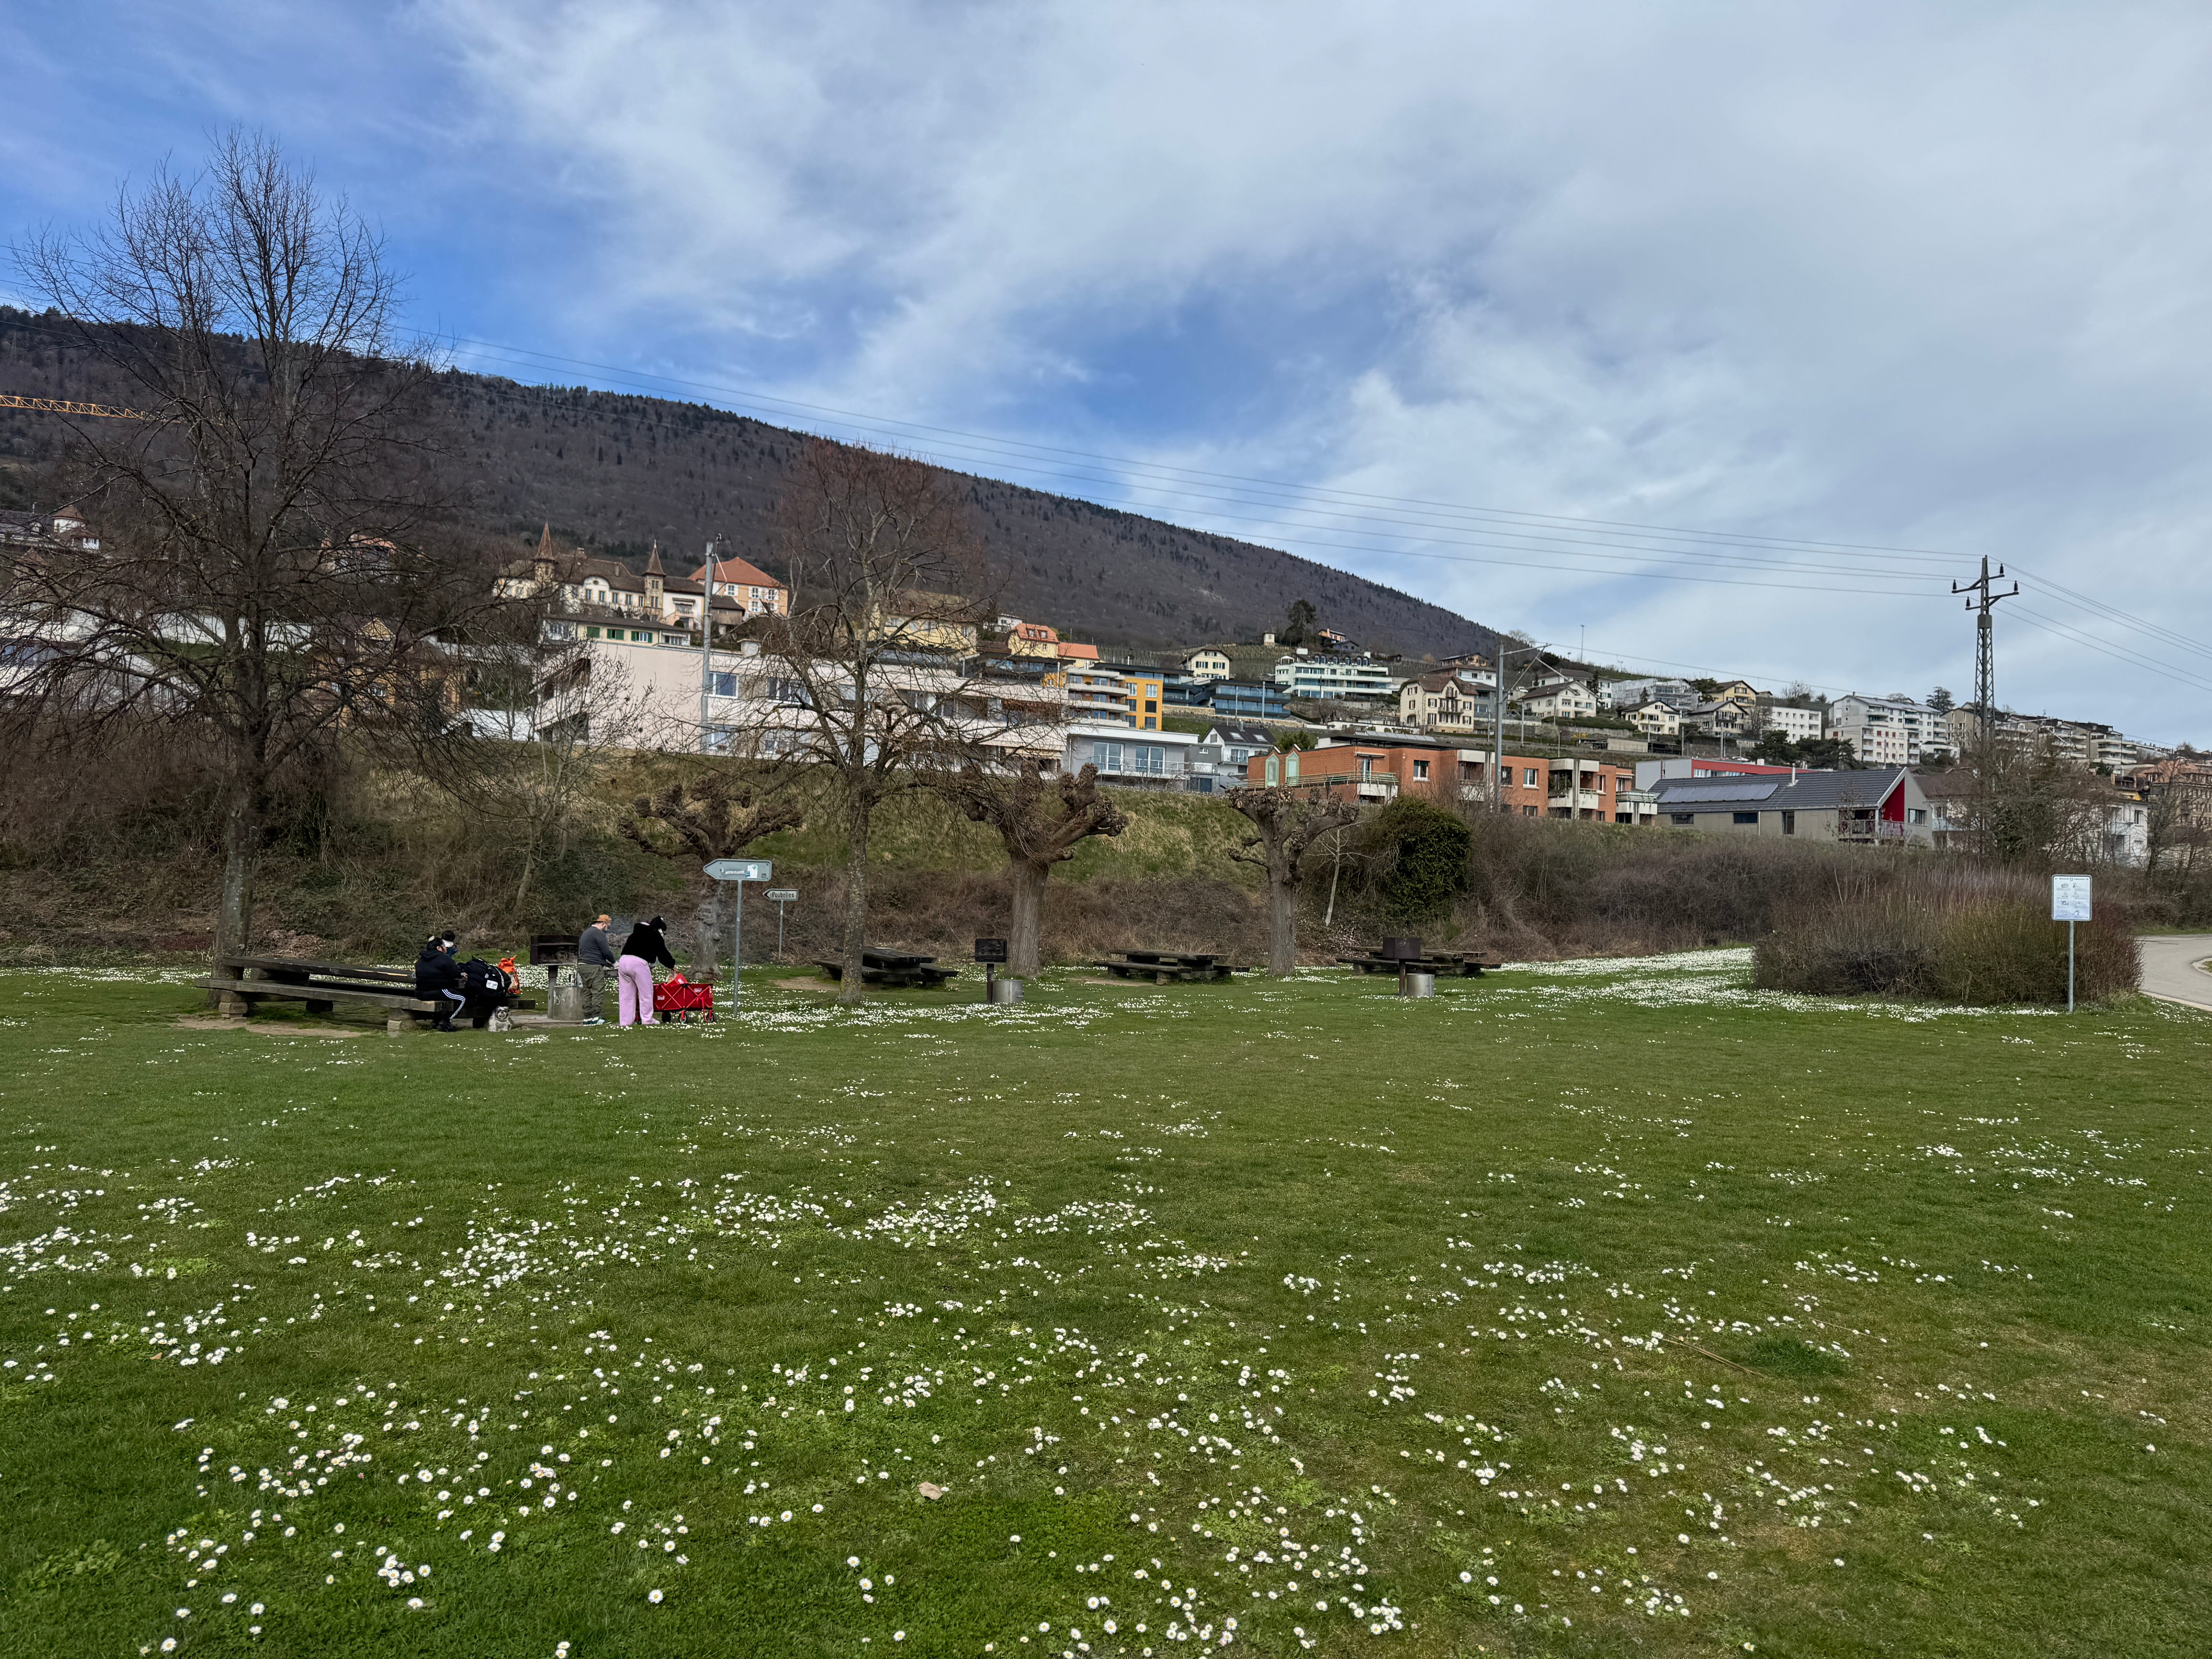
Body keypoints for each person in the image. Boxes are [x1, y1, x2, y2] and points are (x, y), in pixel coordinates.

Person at [615, 914, 675, 1029]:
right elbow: (663, 954)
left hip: (623, 962)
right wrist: (672, 965)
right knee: (646, 993)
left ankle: (626, 1022)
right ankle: (647, 1019)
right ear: (660, 929)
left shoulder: (635, 934)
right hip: (638, 964)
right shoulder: (656, 935)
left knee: (626, 995)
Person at [414, 930, 466, 1032]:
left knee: (445, 998)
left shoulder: (422, 959)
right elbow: (455, 973)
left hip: (420, 993)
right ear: (439, 948)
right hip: (438, 990)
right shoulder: (444, 958)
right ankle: (446, 1021)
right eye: (444, 946)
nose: (446, 948)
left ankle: (437, 1020)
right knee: (461, 999)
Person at [577, 913, 615, 1027]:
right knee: (597, 991)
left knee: (587, 992)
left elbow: (593, 952)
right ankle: (596, 1018)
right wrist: (615, 963)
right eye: (608, 926)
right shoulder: (599, 933)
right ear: (604, 924)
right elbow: (606, 951)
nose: (607, 928)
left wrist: (606, 963)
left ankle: (587, 1019)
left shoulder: (587, 932)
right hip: (594, 967)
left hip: (583, 966)